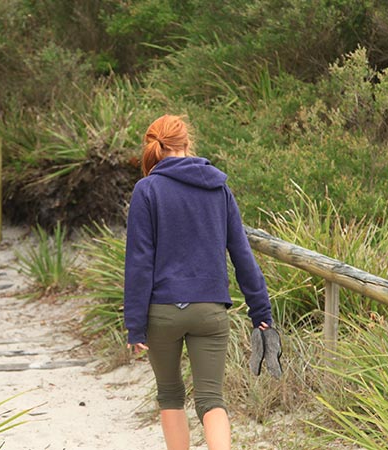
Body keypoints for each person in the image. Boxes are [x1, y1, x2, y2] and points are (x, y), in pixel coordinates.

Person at [123, 114, 273, 450]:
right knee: (211, 400)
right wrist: (260, 311)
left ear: (155, 149)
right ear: (187, 143)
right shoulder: (218, 188)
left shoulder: (147, 190)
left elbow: (139, 262)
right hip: (209, 310)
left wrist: (135, 325)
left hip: (161, 312)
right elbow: (241, 254)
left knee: (170, 395)